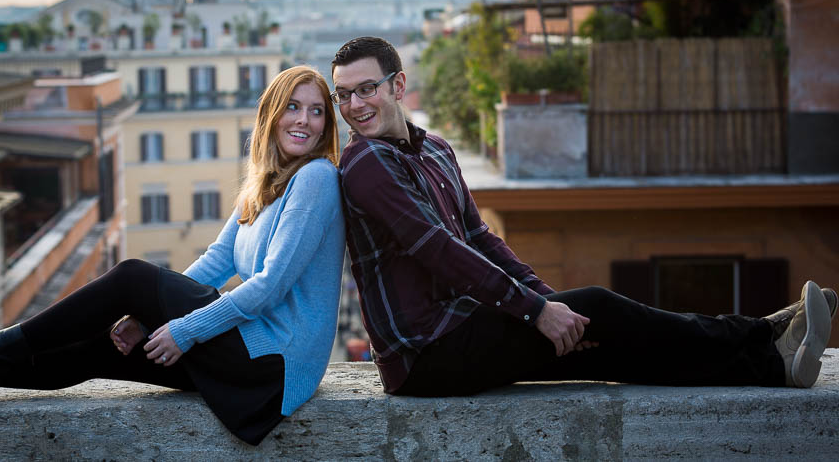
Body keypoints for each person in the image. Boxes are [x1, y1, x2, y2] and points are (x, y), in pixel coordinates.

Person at [330, 35, 836, 398]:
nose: (355, 105)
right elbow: (439, 250)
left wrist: (547, 302)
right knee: (599, 308)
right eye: (344, 95)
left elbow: (479, 237)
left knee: (597, 339)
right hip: (424, 355)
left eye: (366, 89)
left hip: (465, 327)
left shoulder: (435, 150)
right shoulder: (365, 163)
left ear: (397, 85)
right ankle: (761, 335)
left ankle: (772, 361)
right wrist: (535, 310)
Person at [0, 65, 345, 446]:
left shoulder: (317, 178)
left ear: (327, 124)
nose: (303, 120)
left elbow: (270, 286)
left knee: (131, 277)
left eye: (317, 111)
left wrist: (181, 327)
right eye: (292, 107)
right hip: (249, 353)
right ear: (272, 115)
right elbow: (218, 261)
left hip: (276, 361)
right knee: (95, 349)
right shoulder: (263, 187)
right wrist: (149, 316)